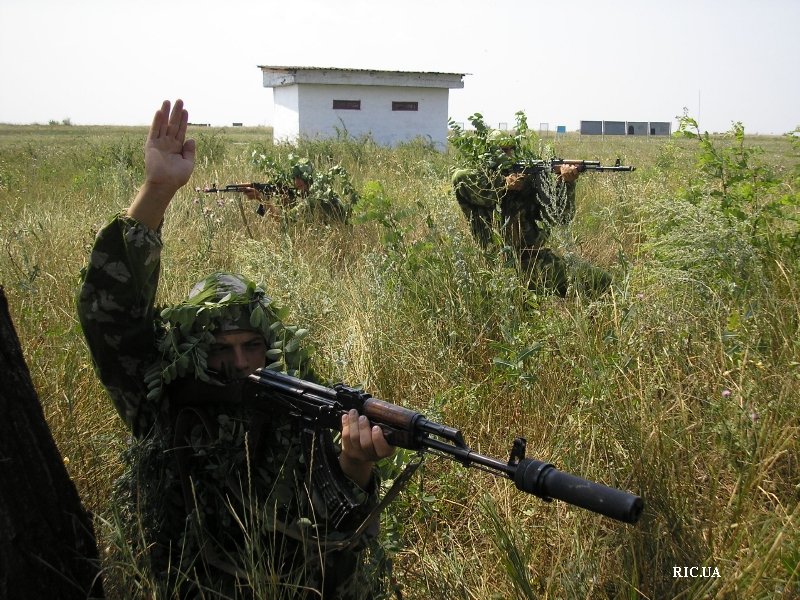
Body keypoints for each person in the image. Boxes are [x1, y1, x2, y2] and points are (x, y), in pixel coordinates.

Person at [77, 99, 394, 599]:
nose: (242, 363)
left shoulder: (294, 406)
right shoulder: (164, 400)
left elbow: (334, 527)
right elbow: (108, 312)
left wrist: (356, 464)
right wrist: (157, 190)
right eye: (221, 349)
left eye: (252, 345)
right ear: (192, 352)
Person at [451, 128, 612, 297]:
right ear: (488, 154)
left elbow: (560, 218)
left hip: (529, 258)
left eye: (512, 149)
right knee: (596, 282)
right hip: (498, 264)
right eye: (503, 150)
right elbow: (461, 179)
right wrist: (504, 184)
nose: (509, 155)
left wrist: (566, 184)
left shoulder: (527, 182)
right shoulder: (473, 178)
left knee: (601, 281)